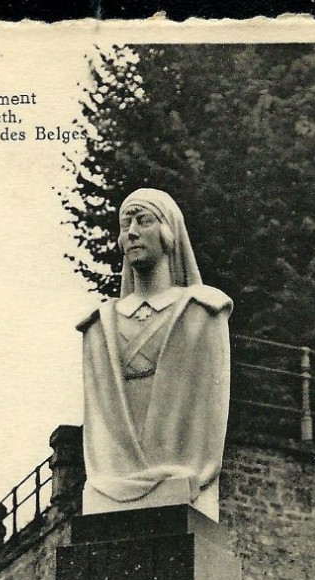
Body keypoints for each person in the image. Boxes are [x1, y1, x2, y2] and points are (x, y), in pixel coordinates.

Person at [77, 188, 233, 522]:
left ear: (168, 233)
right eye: (125, 223)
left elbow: (211, 407)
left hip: (182, 469)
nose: (131, 232)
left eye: (143, 220)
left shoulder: (202, 311)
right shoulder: (98, 326)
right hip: (112, 475)